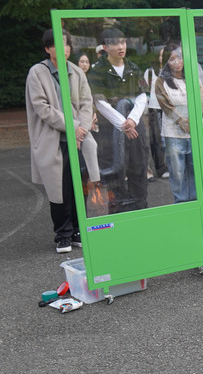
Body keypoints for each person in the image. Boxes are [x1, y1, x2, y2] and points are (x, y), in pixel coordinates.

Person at [26, 29, 99, 253]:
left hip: (79, 138)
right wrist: (73, 127)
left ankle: (79, 229)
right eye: (58, 44)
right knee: (60, 188)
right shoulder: (37, 72)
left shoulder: (76, 71)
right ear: (48, 49)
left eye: (67, 44)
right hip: (54, 138)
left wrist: (82, 129)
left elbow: (87, 103)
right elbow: (42, 108)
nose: (64, 48)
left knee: (81, 184)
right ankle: (63, 234)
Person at [87, 27, 149, 214]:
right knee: (116, 175)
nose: (120, 47)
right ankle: (120, 216)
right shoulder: (97, 71)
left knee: (138, 170)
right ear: (104, 47)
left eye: (123, 42)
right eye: (115, 43)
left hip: (136, 128)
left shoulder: (133, 67)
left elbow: (142, 96)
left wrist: (132, 119)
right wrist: (123, 124)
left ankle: (142, 211)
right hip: (110, 133)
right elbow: (100, 102)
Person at [154, 44, 201, 203]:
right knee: (178, 172)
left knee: (196, 169)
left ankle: (196, 202)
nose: (177, 62)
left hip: (194, 130)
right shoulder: (162, 81)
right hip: (173, 133)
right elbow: (165, 104)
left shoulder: (193, 77)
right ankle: (181, 204)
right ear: (166, 61)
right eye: (172, 59)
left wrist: (194, 119)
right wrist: (180, 120)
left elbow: (201, 99)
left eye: (179, 57)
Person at [143, 47, 168, 182]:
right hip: (154, 107)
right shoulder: (150, 72)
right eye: (159, 54)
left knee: (169, 138)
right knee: (156, 140)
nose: (161, 57)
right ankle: (160, 167)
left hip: (169, 107)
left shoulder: (170, 71)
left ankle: (171, 166)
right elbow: (144, 89)